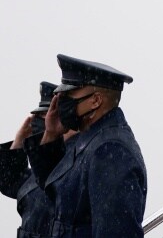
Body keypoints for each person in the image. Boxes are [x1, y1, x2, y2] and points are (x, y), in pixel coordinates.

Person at [24, 54, 147, 237]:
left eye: (68, 95)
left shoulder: (110, 150)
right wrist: (51, 134)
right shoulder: (91, 141)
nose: (59, 102)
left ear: (96, 100)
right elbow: (52, 192)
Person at [0, 81, 62, 238]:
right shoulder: (44, 167)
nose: (43, 124)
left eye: (48, 116)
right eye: (39, 118)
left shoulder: (75, 164)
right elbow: (11, 182)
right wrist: (19, 142)